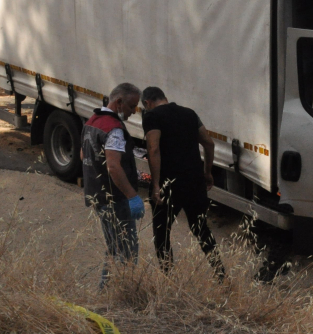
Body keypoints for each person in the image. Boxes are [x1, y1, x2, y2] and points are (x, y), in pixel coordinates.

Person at [141, 86, 224, 277]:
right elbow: (209, 143)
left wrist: (155, 185)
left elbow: (153, 149)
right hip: (194, 182)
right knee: (201, 229)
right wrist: (207, 172)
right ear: (165, 98)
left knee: (162, 233)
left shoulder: (151, 117)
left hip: (168, 185)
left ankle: (169, 280)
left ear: (147, 103)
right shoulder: (190, 114)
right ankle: (221, 275)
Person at [81, 82, 145, 287]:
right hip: (115, 199)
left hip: (97, 196)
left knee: (113, 248)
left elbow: (84, 155)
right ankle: (120, 296)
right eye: (131, 106)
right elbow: (113, 167)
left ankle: (105, 292)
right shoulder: (114, 129)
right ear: (118, 102)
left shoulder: (92, 121)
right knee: (126, 252)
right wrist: (132, 196)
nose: (133, 112)